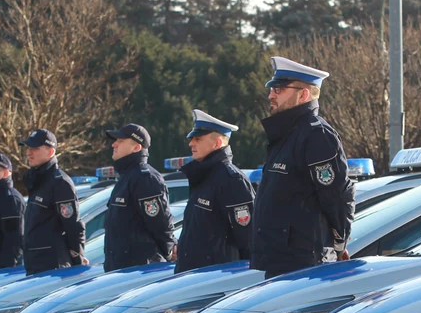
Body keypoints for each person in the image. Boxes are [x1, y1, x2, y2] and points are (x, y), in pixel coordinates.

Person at [251, 57, 355, 279]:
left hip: (304, 264)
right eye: (272, 89)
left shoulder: (316, 134)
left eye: (279, 89)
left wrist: (340, 241)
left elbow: (336, 196)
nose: (271, 95)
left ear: (303, 95)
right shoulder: (286, 135)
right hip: (281, 261)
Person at [174, 110, 255, 273]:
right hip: (194, 276)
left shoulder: (231, 180)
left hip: (215, 279)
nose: (191, 144)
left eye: (198, 139)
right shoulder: (204, 176)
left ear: (217, 143)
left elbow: (248, 239)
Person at [102, 123, 175, 272]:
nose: (114, 144)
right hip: (121, 269)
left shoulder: (145, 178)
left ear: (137, 148)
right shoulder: (126, 177)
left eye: (120, 141)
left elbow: (160, 223)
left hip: (139, 270)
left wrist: (168, 251)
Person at [21, 128, 86, 275]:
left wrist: (77, 260)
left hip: (53, 268)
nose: (29, 152)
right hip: (34, 265)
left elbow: (73, 226)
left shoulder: (59, 182)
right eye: (28, 148)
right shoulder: (37, 180)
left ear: (50, 152)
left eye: (35, 148)